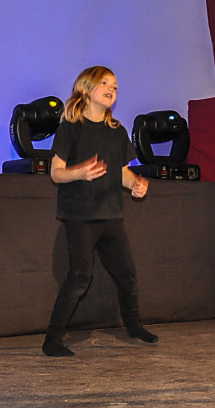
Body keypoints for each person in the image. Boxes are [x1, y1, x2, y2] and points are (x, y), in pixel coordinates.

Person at [42, 65, 158, 357]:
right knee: (80, 276)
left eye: (115, 87)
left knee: (127, 274)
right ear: (86, 87)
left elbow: (122, 172)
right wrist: (79, 173)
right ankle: (53, 339)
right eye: (105, 83)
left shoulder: (116, 132)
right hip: (80, 217)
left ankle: (133, 325)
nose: (111, 90)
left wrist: (136, 184)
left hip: (111, 216)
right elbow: (56, 173)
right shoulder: (70, 128)